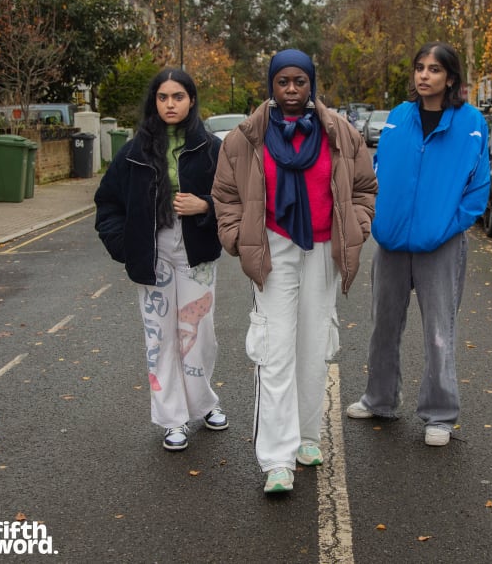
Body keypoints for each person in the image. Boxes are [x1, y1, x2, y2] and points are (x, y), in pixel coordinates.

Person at [212, 49, 377, 493]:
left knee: (314, 345)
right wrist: (236, 236)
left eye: (299, 82)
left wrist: (358, 226)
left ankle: (306, 438)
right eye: (282, 81)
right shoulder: (245, 138)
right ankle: (277, 459)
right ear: (271, 85)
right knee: (275, 349)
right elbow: (225, 195)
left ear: (311, 85)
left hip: (325, 248)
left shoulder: (338, 132)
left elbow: (364, 187)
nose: (290, 90)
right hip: (273, 248)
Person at [346, 41, 490, 446]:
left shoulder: (472, 123)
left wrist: (445, 225)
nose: (424, 75)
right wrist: (379, 215)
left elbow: (478, 189)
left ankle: (440, 415)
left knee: (439, 331)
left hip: (441, 244)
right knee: (383, 325)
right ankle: (380, 399)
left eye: (434, 69)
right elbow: (376, 173)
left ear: (450, 78)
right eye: (419, 68)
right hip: (391, 242)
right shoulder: (398, 117)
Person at [94, 68, 227, 452]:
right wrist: (124, 245)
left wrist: (205, 205)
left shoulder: (211, 148)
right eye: (163, 97)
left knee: (198, 337)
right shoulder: (134, 151)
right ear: (155, 101)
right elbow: (108, 204)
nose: (170, 104)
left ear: (191, 100)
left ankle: (203, 405)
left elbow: (236, 199)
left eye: (178, 97)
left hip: (196, 253)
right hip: (152, 255)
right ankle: (172, 420)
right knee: (160, 338)